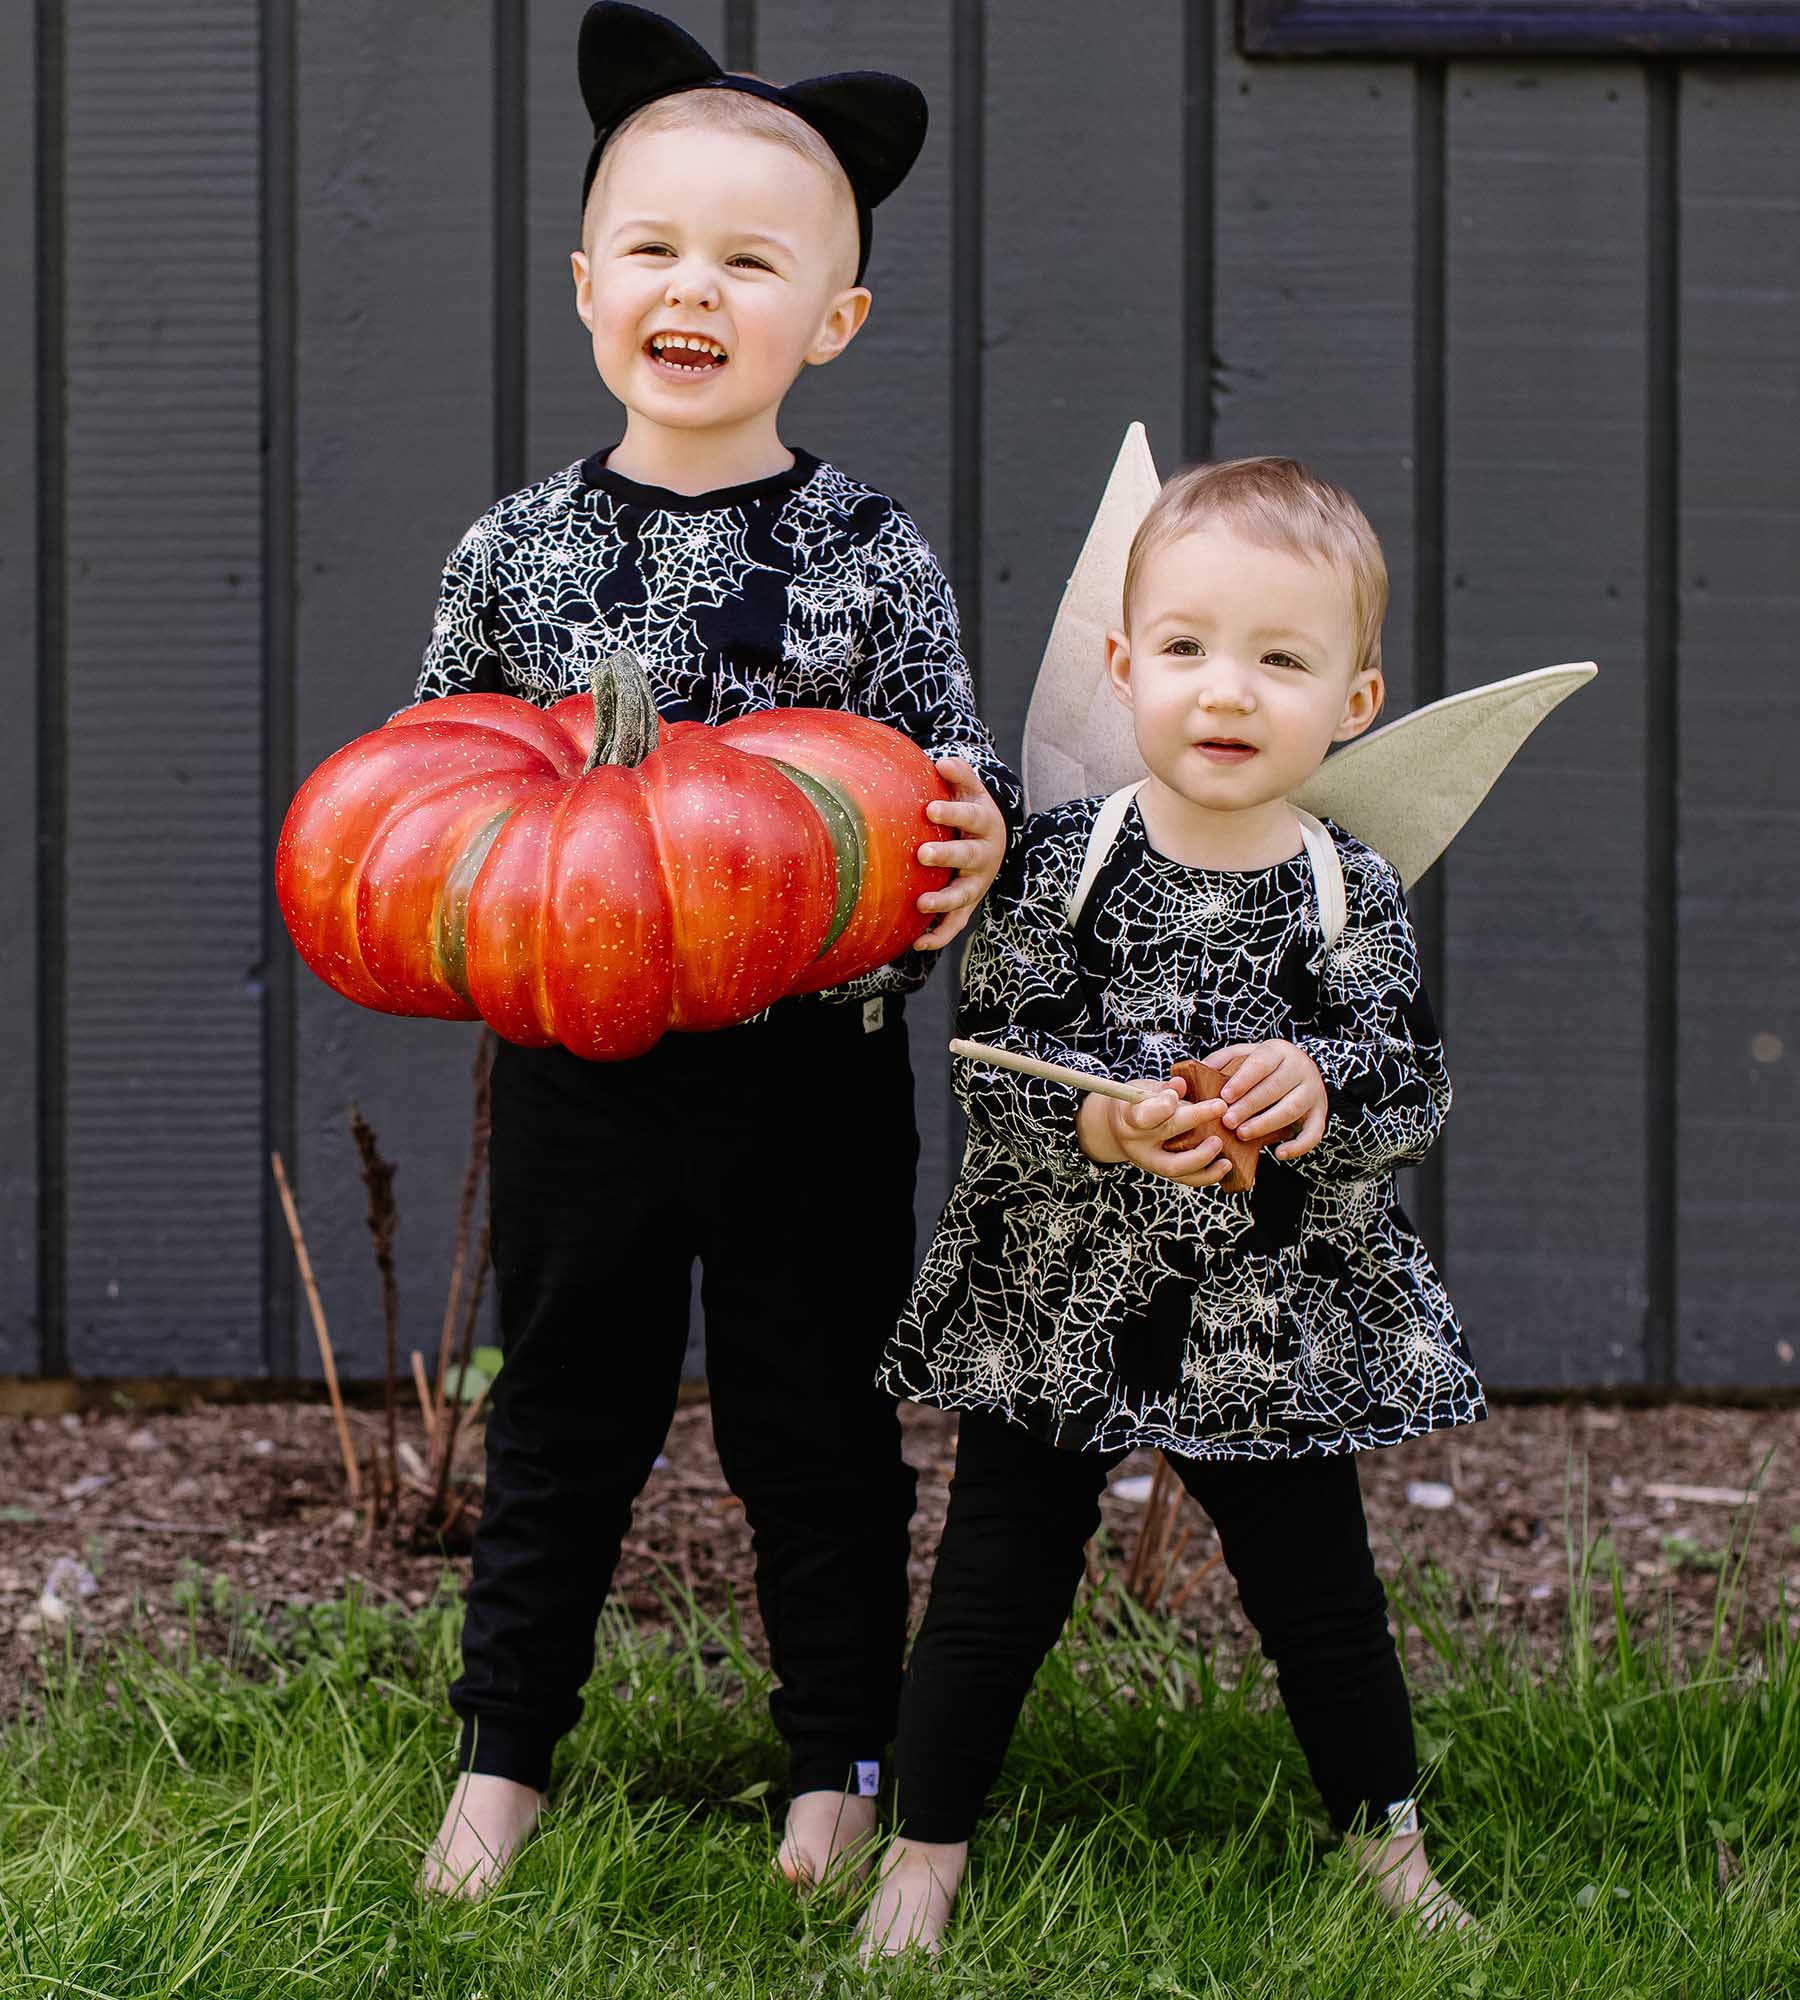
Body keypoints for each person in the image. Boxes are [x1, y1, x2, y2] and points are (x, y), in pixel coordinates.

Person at [414, 3, 1018, 1900]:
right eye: (657, 249)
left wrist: (981, 830)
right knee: (565, 1417)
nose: (697, 290)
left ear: (829, 322)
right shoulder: (514, 552)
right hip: (587, 1062)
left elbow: (947, 766)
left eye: (751, 262)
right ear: (590, 284)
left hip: (811, 1075)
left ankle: (834, 1756)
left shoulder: (864, 548)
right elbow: (433, 790)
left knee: (813, 1425)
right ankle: (505, 1759)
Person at [866, 455, 1486, 1954]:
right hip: (1058, 1306)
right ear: (1125, 665)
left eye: (1283, 660)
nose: (1229, 691)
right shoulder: (1066, 871)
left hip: (1267, 1316)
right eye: (1192, 649)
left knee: (1321, 1599)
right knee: (992, 1587)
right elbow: (990, 1062)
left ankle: (1389, 1851)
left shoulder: (1350, 890)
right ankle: (922, 1853)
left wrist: (1321, 1091)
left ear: (1354, 701)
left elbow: (1410, 1083)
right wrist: (1100, 1110)